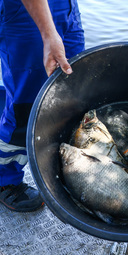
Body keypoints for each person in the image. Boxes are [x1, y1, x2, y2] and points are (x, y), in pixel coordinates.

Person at [0, 0, 85, 212]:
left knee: (72, 90)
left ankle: (64, 167)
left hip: (66, 8)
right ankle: (5, 179)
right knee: (25, 107)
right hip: (24, 10)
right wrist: (48, 33)